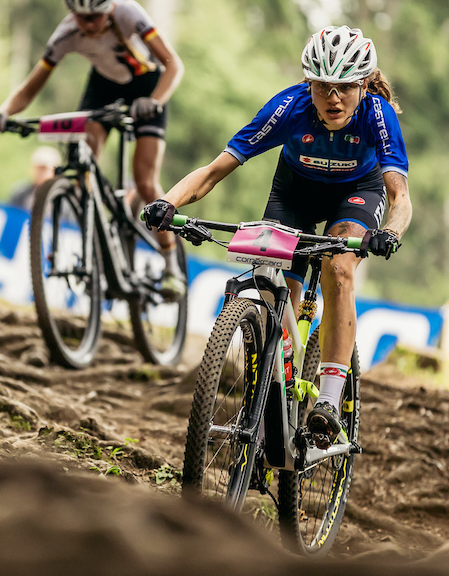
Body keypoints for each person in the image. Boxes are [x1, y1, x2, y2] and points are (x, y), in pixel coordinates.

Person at [142, 26, 412, 446]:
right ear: (309, 84)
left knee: (337, 268)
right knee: (273, 278)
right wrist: (168, 203)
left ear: (362, 85)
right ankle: (277, 375)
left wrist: (390, 232)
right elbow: (215, 171)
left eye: (344, 87)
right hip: (295, 192)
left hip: (358, 194)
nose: (333, 98)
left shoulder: (378, 115)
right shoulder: (288, 107)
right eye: (323, 86)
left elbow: (400, 197)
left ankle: (328, 398)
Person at [0, 0, 186, 297]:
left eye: (93, 16)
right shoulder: (66, 33)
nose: (87, 24)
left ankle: (170, 263)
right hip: (104, 86)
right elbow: (31, 86)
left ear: (110, 8)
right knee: (82, 152)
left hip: (148, 85)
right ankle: (96, 231)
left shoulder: (130, 15)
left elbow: (173, 64)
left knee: (145, 179)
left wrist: (156, 100)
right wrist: (4, 111)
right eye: (79, 16)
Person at [9, 145, 61, 211]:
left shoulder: (64, 198)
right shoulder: (20, 193)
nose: (40, 172)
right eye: (38, 168)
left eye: (44, 169)